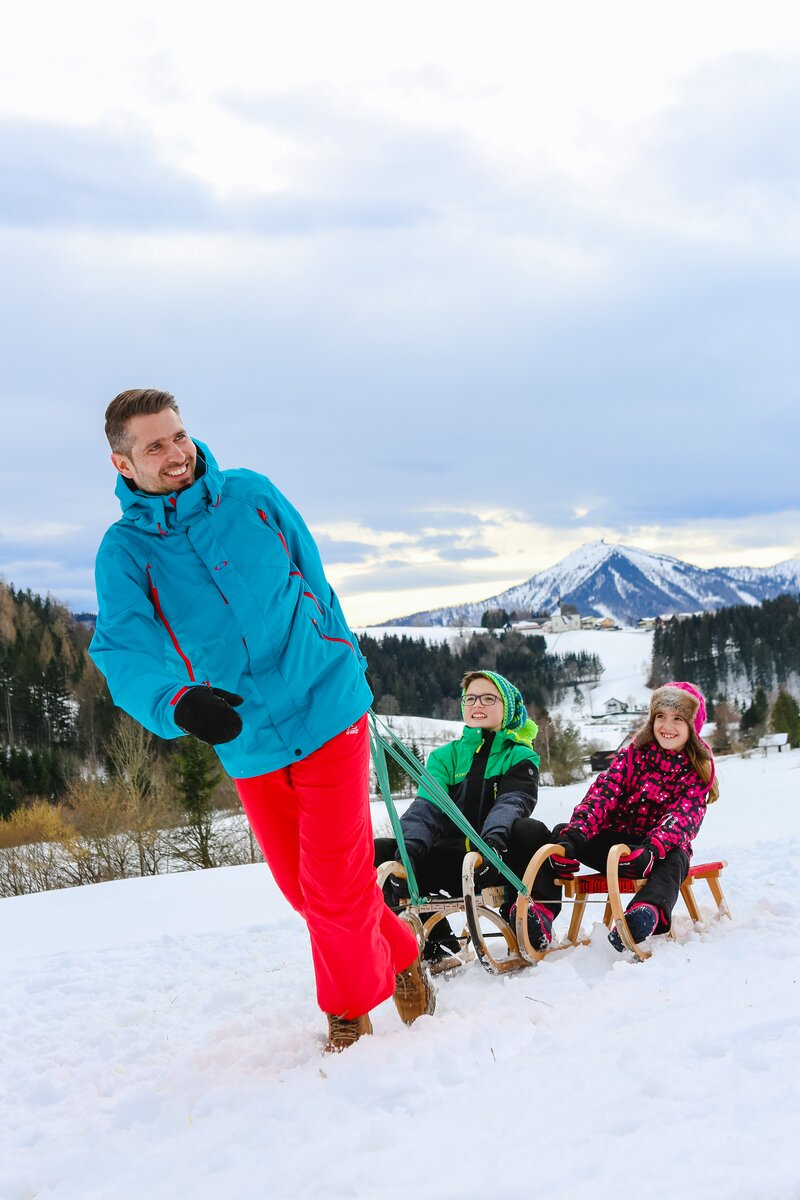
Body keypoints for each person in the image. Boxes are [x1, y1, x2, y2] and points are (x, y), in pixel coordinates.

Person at [89, 388, 432, 1052]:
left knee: (333, 886)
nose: (176, 454)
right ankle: (404, 951)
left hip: (326, 702)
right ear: (122, 464)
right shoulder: (125, 551)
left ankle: (348, 1019)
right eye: (155, 446)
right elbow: (122, 649)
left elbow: (311, 573)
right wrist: (177, 702)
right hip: (244, 732)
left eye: (179, 436)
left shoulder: (251, 494)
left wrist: (336, 651)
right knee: (307, 891)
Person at [374, 670, 550, 961]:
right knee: (383, 851)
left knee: (531, 831)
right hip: (451, 860)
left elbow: (512, 803)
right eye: (470, 698)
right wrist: (409, 852)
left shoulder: (520, 756)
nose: (477, 704)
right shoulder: (445, 757)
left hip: (497, 859)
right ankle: (438, 943)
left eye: (488, 698)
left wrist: (490, 846)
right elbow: (426, 809)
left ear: (507, 708)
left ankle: (527, 919)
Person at [547, 681, 719, 951]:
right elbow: (603, 795)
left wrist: (652, 849)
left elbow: (683, 816)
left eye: (678, 719)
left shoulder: (695, 771)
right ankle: (541, 913)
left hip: (658, 851)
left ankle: (645, 912)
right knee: (562, 832)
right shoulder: (632, 756)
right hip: (619, 846)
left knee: (676, 859)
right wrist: (575, 836)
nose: (667, 726)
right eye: (660, 716)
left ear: (692, 728)